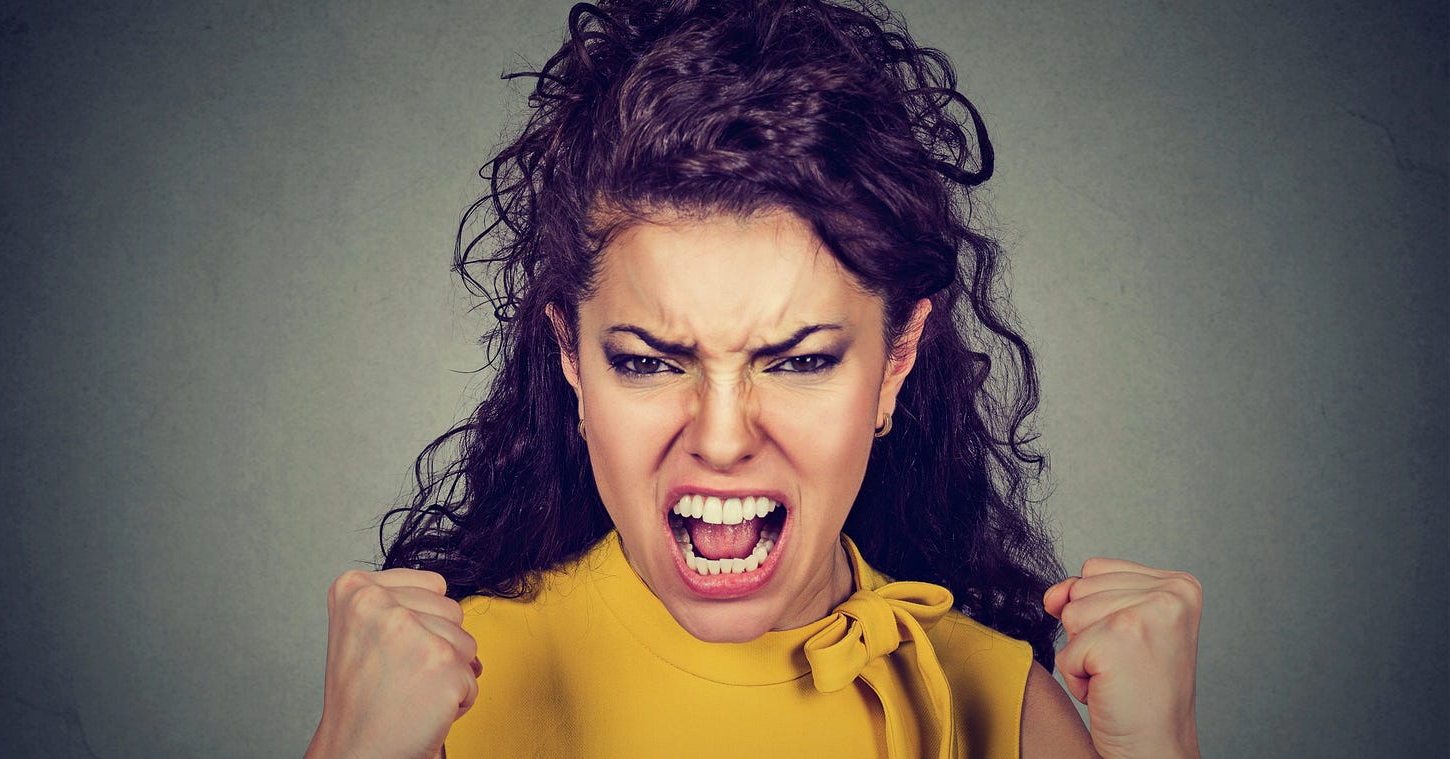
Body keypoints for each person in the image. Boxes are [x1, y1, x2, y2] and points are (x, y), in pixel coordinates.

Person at [305, 1, 1203, 757]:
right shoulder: (439, 706)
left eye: (802, 360)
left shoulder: (1006, 712)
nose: (723, 437)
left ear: (897, 360)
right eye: (649, 361)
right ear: (573, 362)